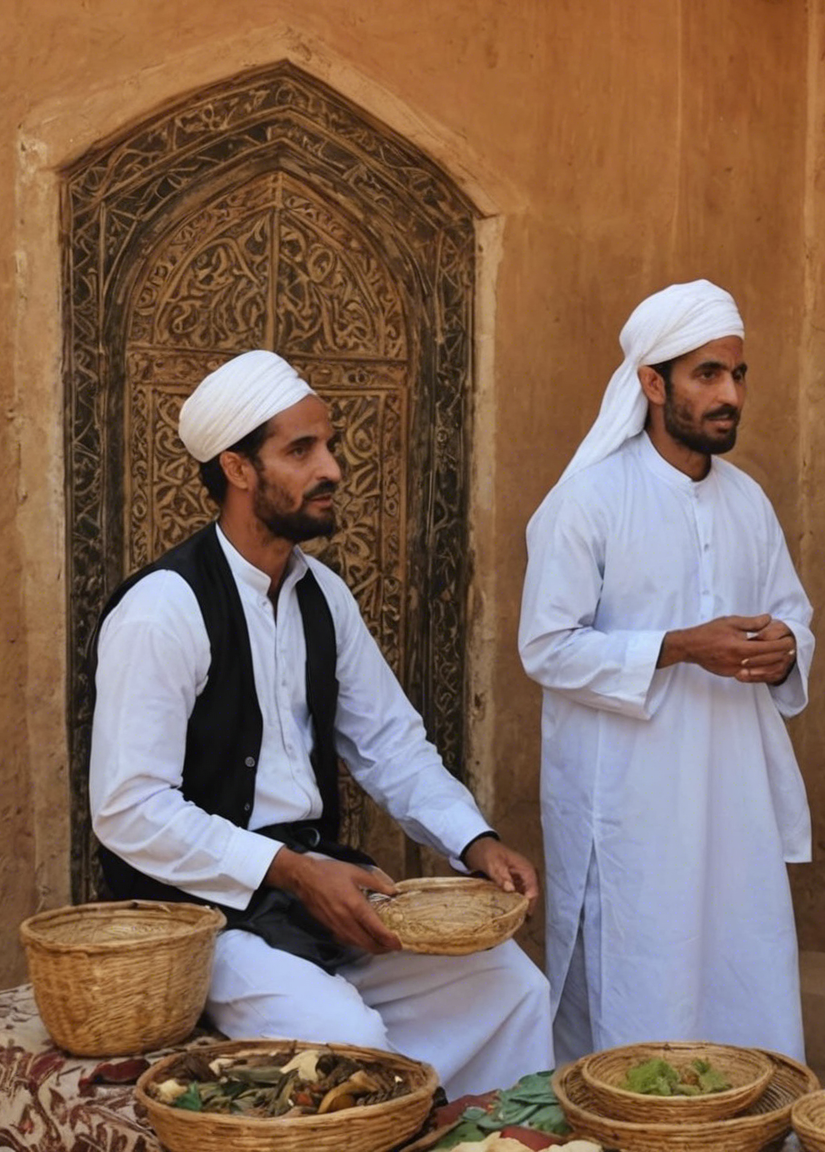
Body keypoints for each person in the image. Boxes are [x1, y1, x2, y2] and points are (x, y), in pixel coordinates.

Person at [90, 350, 553, 1098]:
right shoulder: (161, 611)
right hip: (209, 918)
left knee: (510, 987)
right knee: (357, 1047)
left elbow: (390, 745)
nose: (332, 468)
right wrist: (293, 872)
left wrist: (474, 841)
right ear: (239, 470)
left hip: (315, 890)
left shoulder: (323, 596)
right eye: (302, 450)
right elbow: (128, 810)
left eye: (328, 445)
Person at [520, 280, 815, 1064]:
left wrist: (786, 648)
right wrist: (682, 647)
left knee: (741, 967)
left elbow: (795, 613)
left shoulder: (748, 502)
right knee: (643, 990)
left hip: (735, 798)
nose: (730, 395)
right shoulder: (587, 502)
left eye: (738, 375)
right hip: (633, 806)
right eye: (707, 376)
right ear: (653, 384)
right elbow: (546, 647)